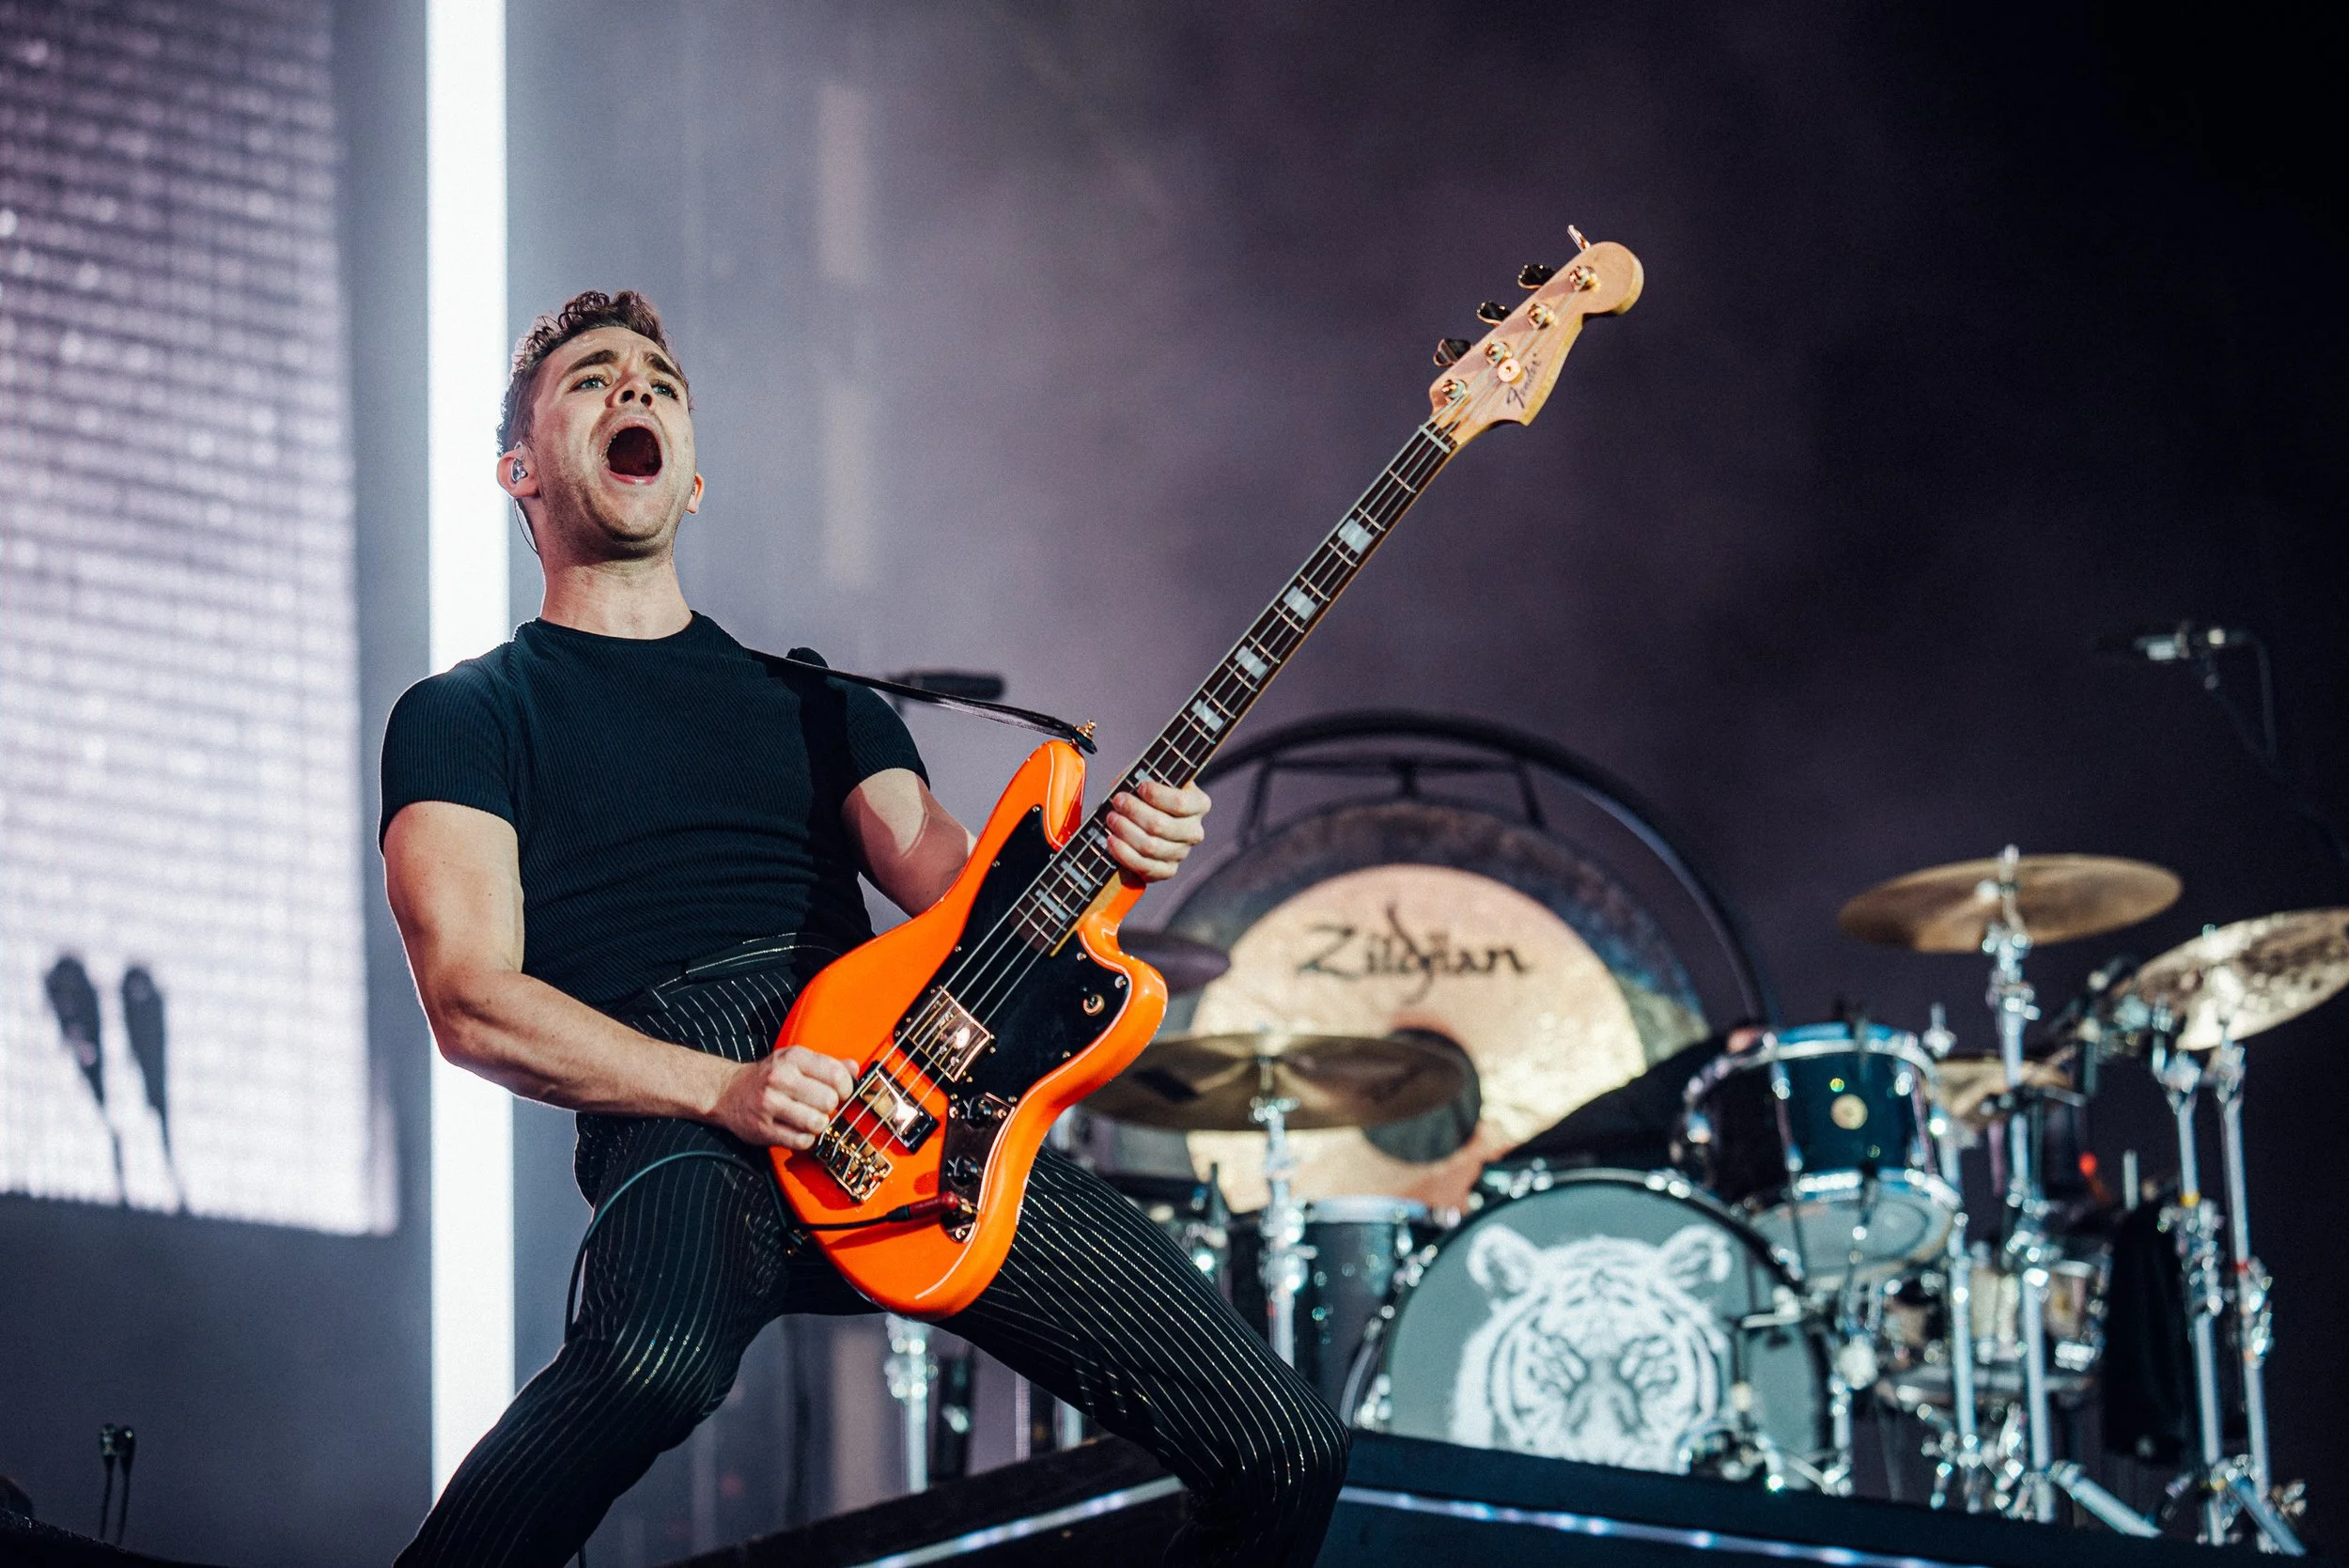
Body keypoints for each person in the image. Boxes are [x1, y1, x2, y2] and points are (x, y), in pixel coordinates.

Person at [381, 290, 1345, 1567]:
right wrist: (729, 1090)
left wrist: (1111, 866)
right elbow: (470, 1000)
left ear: (695, 480)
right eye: (593, 379)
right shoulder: (468, 713)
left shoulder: (819, 698)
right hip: (682, 1093)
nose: (637, 392)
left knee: (1286, 1446)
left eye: (661, 380)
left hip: (900, 1087)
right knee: (652, 1363)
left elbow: (969, 910)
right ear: (520, 470)